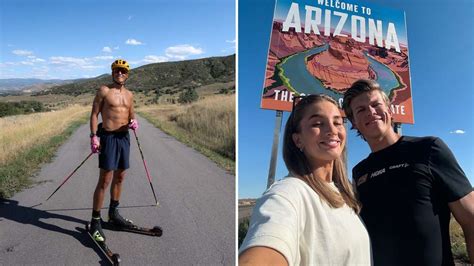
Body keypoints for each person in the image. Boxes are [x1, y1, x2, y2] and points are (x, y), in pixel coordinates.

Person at [342, 79, 474, 265]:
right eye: (361, 110)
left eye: (376, 104)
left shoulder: (428, 148)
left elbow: (471, 219)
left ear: (389, 109)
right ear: (354, 123)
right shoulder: (359, 172)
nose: (371, 112)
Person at [239, 94, 371, 265]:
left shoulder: (345, 194)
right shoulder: (286, 194)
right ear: (298, 139)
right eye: (317, 123)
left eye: (337, 122)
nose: (332, 130)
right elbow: (266, 245)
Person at [88, 59, 139, 242]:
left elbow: (131, 115)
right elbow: (94, 114)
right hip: (108, 138)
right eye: (117, 70)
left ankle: (113, 213)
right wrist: (94, 136)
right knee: (105, 179)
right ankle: (95, 221)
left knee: (120, 176)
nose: (120, 73)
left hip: (124, 138)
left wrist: (134, 123)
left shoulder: (130, 95)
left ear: (127, 74)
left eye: (123, 71)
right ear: (112, 72)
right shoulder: (104, 90)